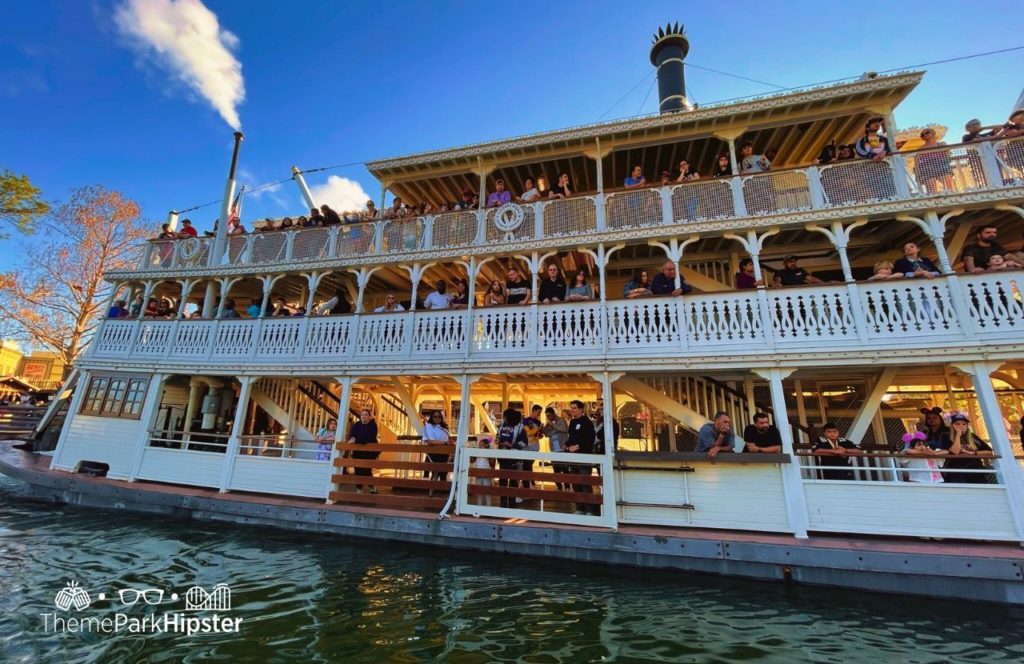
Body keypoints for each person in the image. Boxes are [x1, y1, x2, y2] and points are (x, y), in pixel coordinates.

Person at [941, 412, 994, 484]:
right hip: (956, 471)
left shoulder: (972, 436)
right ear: (952, 425)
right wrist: (958, 435)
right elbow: (955, 451)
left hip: (975, 469)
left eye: (964, 424)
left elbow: (989, 452)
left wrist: (974, 453)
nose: (961, 426)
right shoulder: (946, 435)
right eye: (957, 424)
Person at [565, 400, 598, 515]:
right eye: (571, 408)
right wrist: (567, 445)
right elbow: (571, 437)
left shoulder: (587, 422)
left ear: (581, 409)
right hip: (573, 457)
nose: (572, 410)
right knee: (576, 483)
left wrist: (578, 446)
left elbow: (590, 439)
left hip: (584, 455)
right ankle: (580, 508)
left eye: (574, 408)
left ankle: (589, 510)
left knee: (585, 482)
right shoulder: (572, 422)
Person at [495, 407, 529, 508]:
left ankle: (512, 504)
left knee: (513, 480)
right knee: (503, 480)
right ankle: (502, 504)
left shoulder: (520, 427)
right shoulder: (501, 425)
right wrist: (497, 440)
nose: (504, 418)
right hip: (502, 456)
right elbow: (497, 436)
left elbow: (524, 443)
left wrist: (512, 445)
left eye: (505, 416)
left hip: (514, 458)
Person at [347, 410, 379, 493]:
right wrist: (352, 439)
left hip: (369, 452)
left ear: (369, 416)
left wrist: (357, 439)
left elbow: (370, 437)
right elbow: (352, 435)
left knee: (366, 470)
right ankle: (359, 488)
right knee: (357, 470)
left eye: (366, 415)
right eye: (362, 415)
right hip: (358, 451)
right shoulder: (357, 425)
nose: (364, 416)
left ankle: (372, 486)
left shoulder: (373, 425)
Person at [915, 128, 954, 193]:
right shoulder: (920, 149)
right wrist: (918, 173)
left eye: (927, 132)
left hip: (941, 165)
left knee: (948, 185)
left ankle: (951, 195)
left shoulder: (941, 144)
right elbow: (916, 162)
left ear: (933, 133)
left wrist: (945, 148)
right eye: (922, 135)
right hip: (927, 167)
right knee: (932, 189)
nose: (924, 135)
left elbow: (948, 155)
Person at [423, 411, 453, 488]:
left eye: (439, 416)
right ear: (432, 417)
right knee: (435, 473)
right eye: (435, 416)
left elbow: (447, 440)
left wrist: (449, 443)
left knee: (443, 474)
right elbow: (429, 441)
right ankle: (431, 492)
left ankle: (442, 492)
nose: (437, 418)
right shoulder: (428, 426)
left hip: (444, 454)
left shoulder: (444, 428)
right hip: (434, 454)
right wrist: (444, 443)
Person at [543, 407, 570, 491]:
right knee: (556, 469)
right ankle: (559, 486)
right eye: (547, 416)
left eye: (550, 416)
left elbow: (564, 429)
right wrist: (548, 429)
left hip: (562, 447)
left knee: (565, 469)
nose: (548, 418)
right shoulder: (549, 423)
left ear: (554, 414)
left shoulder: (561, 420)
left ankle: (567, 486)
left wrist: (553, 426)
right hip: (554, 449)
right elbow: (547, 434)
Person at [521, 404, 544, 493]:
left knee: (529, 465)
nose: (539, 414)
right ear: (533, 410)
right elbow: (529, 433)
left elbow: (537, 435)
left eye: (540, 412)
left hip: (535, 446)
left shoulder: (538, 422)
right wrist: (539, 429)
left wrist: (540, 434)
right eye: (538, 412)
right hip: (527, 446)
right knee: (527, 465)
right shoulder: (526, 421)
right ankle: (529, 483)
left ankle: (530, 483)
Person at [471, 437, 495, 507]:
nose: (480, 445)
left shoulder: (490, 451)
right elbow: (472, 460)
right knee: (479, 491)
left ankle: (488, 506)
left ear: (486, 445)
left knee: (487, 491)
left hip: (487, 472)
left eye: (482, 444)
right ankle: (479, 506)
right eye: (479, 444)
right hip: (478, 472)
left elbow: (492, 462)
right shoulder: (477, 451)